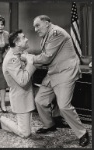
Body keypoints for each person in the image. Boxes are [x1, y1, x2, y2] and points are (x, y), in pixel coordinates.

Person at [21, 15, 89, 147]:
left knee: (64, 106)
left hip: (65, 72)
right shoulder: (46, 35)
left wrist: (27, 57)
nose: (35, 29)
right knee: (40, 100)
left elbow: (46, 59)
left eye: (37, 25)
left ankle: (83, 133)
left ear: (47, 23)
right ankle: (50, 124)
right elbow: (47, 60)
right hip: (53, 72)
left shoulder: (56, 33)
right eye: (34, 26)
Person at [0, 29, 36, 138]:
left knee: (26, 129)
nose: (27, 39)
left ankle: (2, 121)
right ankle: (1, 120)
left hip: (25, 96)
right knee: (25, 134)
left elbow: (22, 57)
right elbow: (22, 81)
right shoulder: (12, 60)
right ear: (17, 43)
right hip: (21, 99)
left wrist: (26, 57)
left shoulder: (17, 53)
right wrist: (31, 64)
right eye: (24, 37)